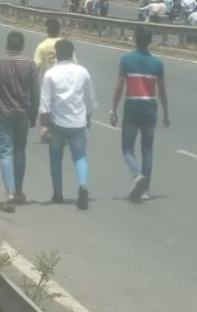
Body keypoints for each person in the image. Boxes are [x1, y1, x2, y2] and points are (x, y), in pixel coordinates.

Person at [0, 31, 40, 213]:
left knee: (5, 153)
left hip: (3, 113)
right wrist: (33, 115)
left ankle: (10, 193)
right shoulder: (30, 65)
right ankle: (19, 190)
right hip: (22, 114)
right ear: (21, 46)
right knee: (20, 151)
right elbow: (35, 93)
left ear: (7, 45)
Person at [110, 26, 171, 201]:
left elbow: (120, 86)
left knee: (127, 148)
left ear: (135, 40)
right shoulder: (158, 63)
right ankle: (145, 191)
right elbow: (162, 90)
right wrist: (166, 112)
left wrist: (113, 108)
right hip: (150, 108)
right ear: (150, 41)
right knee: (147, 150)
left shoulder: (126, 60)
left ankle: (137, 175)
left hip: (132, 108)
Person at [38, 39, 96, 210]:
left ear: (57, 53)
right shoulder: (83, 71)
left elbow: (45, 103)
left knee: (56, 158)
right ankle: (83, 187)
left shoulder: (50, 74)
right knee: (80, 157)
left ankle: (57, 193)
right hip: (78, 122)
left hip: (57, 123)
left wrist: (43, 126)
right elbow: (89, 99)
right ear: (72, 53)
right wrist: (88, 118)